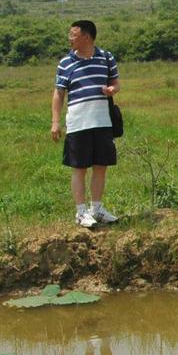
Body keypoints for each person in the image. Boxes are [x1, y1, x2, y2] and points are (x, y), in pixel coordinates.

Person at [50, 20, 120, 228]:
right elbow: (59, 93)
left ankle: (96, 208)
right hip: (78, 122)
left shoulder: (106, 58)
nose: (70, 38)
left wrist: (112, 90)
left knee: (101, 165)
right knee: (79, 167)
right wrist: (55, 122)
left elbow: (115, 83)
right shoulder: (66, 63)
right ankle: (81, 212)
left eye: (73, 35)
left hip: (102, 121)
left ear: (87, 37)